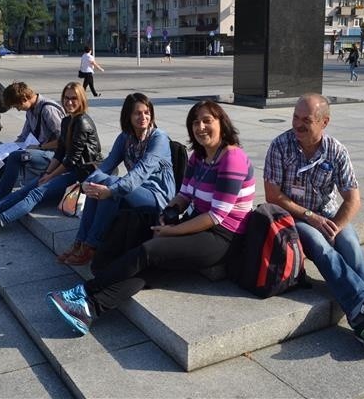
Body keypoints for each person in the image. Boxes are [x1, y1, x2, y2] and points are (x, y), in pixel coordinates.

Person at [47, 100, 255, 335]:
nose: (201, 127)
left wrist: (171, 232)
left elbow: (216, 216)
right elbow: (184, 195)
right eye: (195, 122)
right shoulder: (198, 157)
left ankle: (83, 292)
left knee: (149, 251)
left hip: (222, 237)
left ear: (222, 124)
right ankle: (90, 309)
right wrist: (170, 213)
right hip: (198, 223)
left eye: (207, 121)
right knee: (147, 271)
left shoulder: (232, 158)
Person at [263, 93, 364, 351]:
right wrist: (312, 218)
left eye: (306, 120)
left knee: (350, 244)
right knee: (319, 245)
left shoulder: (336, 151)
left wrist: (337, 225)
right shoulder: (280, 146)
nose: (297, 124)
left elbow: (353, 199)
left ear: (324, 122)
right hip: (295, 217)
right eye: (295, 117)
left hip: (329, 214)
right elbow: (273, 195)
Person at [57, 93, 177, 266]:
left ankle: (91, 245)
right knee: (99, 182)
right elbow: (106, 165)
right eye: (137, 113)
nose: (143, 117)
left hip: (157, 196)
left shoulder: (159, 138)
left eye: (147, 112)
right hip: (134, 190)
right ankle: (80, 242)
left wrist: (111, 190)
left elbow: (140, 173)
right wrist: (87, 183)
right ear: (128, 115)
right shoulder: (125, 137)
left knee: (111, 184)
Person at [0, 82, 103, 236]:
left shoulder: (82, 122)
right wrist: (47, 173)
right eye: (66, 98)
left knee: (36, 193)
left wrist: (51, 176)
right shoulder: (68, 121)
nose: (69, 102)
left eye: (74, 98)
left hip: (84, 173)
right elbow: (61, 152)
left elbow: (71, 160)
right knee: (29, 187)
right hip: (69, 168)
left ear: (82, 100)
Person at [0, 82, 66, 208]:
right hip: (39, 149)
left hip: (55, 156)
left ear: (24, 99)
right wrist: (8, 147)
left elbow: (64, 140)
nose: (18, 109)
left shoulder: (48, 110)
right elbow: (24, 136)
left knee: (15, 157)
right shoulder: (30, 110)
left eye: (17, 106)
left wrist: (41, 147)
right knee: (3, 156)